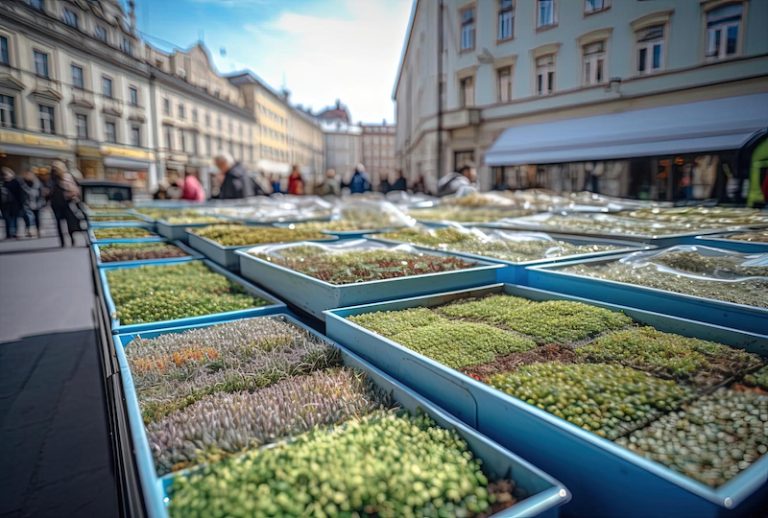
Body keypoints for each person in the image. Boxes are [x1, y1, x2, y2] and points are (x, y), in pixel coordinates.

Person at [49, 160, 84, 247]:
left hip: (67, 201)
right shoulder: (52, 179)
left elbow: (73, 187)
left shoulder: (66, 176)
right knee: (59, 222)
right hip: (56, 202)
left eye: (56, 168)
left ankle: (71, 238)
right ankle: (62, 241)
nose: (55, 170)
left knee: (69, 221)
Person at [1, 167, 24, 239]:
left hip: (15, 204)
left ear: (11, 174)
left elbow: (20, 194)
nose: (5, 176)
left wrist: (21, 204)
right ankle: (8, 233)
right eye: (4, 174)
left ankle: (14, 232)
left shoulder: (16, 182)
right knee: (7, 219)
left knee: (14, 218)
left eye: (6, 174)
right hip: (4, 204)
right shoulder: (2, 183)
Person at [21, 170, 44, 237]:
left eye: (30, 175)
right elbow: (21, 194)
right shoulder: (23, 183)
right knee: (28, 218)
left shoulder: (38, 183)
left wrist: (41, 201)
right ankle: (29, 230)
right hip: (27, 203)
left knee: (37, 218)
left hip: (37, 203)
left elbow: (41, 193)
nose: (28, 176)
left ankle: (38, 230)